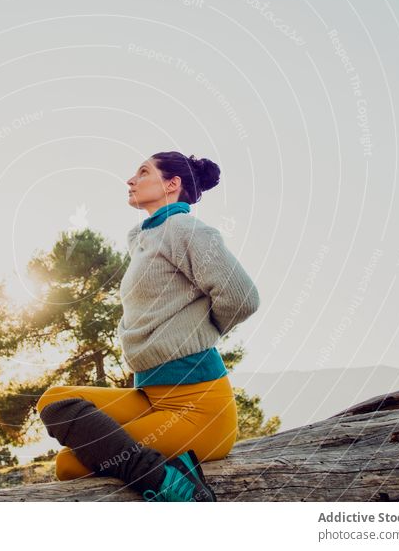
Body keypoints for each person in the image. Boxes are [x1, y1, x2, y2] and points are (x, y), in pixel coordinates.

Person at [35, 151, 260, 502]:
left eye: (143, 172)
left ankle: (177, 489)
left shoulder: (185, 229)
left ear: (172, 184)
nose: (131, 179)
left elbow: (242, 297)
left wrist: (196, 332)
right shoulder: (145, 238)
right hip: (153, 397)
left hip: (197, 409)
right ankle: (167, 474)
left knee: (69, 464)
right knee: (54, 401)